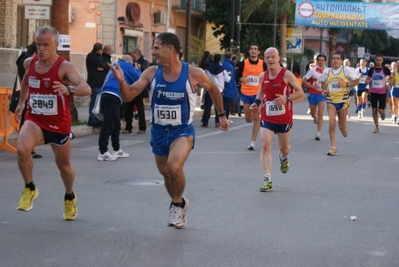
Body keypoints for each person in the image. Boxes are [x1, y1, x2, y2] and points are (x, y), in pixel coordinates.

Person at [108, 32, 230, 229]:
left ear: (170, 49)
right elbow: (129, 95)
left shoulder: (193, 73)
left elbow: (214, 90)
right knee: (166, 174)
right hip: (158, 132)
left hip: (182, 131)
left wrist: (222, 114)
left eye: (156, 47)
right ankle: (180, 202)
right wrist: (121, 82)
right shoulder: (151, 73)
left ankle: (175, 206)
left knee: (174, 166)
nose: (153, 51)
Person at [14, 25, 91, 220]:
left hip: (59, 123)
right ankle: (30, 187)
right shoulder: (29, 63)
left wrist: (69, 90)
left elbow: (86, 88)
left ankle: (69, 196)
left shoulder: (65, 67)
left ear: (56, 45)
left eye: (46, 45)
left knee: (63, 166)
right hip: (35, 119)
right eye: (38, 44)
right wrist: (21, 103)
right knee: (22, 148)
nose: (41, 49)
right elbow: (25, 81)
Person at [249, 47, 304, 192]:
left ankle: (283, 157)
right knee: (265, 145)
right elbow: (261, 91)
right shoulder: (263, 76)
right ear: (264, 59)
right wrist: (256, 102)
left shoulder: (287, 75)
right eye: (267, 57)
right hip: (267, 115)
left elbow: (300, 93)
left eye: (273, 57)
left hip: (284, 117)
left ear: (278, 58)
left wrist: (287, 98)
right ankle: (267, 179)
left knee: (284, 148)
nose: (270, 60)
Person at [98, 55, 141, 161]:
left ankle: (116, 149)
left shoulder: (114, 65)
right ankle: (103, 152)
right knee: (108, 123)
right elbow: (138, 78)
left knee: (116, 123)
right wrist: (137, 69)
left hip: (106, 94)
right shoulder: (126, 65)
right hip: (114, 94)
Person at [320, 53, 358, 156]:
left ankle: (343, 128)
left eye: (337, 58)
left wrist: (346, 84)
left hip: (343, 101)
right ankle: (333, 147)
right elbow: (323, 82)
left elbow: (356, 81)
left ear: (341, 61)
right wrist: (325, 90)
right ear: (331, 60)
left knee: (341, 126)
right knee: (332, 122)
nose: (335, 60)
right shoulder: (327, 71)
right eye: (333, 58)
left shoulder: (346, 70)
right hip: (331, 100)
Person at [236, 43, 267, 150]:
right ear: (249, 51)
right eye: (251, 49)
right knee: (248, 119)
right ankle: (252, 118)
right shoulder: (243, 63)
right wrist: (242, 79)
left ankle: (252, 141)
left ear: (258, 52)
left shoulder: (263, 64)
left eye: (255, 49)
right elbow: (237, 76)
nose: (253, 51)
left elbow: (268, 76)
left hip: (258, 94)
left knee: (257, 116)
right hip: (246, 93)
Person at [15, 42, 42, 159]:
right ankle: (26, 149)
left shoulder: (22, 58)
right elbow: (26, 79)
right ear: (35, 53)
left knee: (26, 123)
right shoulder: (28, 62)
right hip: (28, 95)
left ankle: (26, 148)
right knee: (27, 124)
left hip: (27, 95)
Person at [123, 48, 150, 134]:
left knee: (140, 108)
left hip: (139, 88)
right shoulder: (130, 62)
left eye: (132, 53)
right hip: (130, 86)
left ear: (136, 54)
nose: (131, 55)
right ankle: (128, 127)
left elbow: (145, 74)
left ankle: (142, 127)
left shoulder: (144, 62)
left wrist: (138, 68)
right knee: (128, 108)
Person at [201, 54, 231, 127]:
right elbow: (227, 79)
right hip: (219, 90)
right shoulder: (222, 70)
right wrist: (230, 74)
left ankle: (205, 122)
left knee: (207, 107)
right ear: (220, 60)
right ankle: (217, 122)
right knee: (218, 107)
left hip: (209, 90)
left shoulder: (208, 69)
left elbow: (205, 78)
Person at [366, 54, 393, 133]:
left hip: (382, 93)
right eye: (377, 60)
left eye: (380, 60)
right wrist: (368, 81)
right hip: (373, 93)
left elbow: (392, 77)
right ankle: (376, 126)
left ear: (382, 61)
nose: (378, 62)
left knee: (380, 110)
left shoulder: (385, 69)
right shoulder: (371, 70)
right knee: (374, 110)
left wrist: (389, 83)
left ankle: (383, 113)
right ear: (375, 60)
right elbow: (367, 79)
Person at [302, 54, 327, 140]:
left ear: (325, 61)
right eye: (319, 60)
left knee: (320, 112)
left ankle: (318, 133)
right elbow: (304, 80)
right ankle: (314, 117)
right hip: (312, 94)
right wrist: (311, 86)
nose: (321, 62)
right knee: (313, 113)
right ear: (316, 61)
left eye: (322, 60)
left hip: (322, 94)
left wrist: (326, 89)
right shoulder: (312, 70)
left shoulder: (327, 70)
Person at [86, 43, 109, 128]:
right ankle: (92, 120)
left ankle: (97, 119)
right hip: (94, 82)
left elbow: (103, 64)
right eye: (101, 50)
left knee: (98, 102)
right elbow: (103, 65)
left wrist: (103, 67)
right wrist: (103, 67)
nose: (102, 51)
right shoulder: (91, 56)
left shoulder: (99, 57)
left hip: (100, 82)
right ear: (98, 50)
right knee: (94, 101)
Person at [221, 52, 239, 120]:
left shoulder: (222, 64)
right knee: (227, 104)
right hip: (229, 86)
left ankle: (220, 118)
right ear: (231, 57)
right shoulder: (230, 66)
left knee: (222, 103)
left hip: (221, 86)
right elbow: (231, 77)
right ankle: (226, 118)